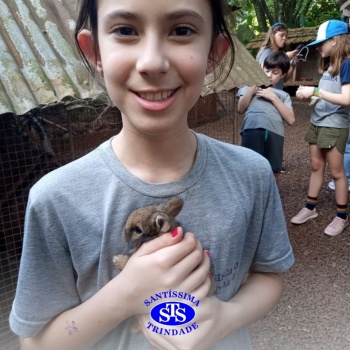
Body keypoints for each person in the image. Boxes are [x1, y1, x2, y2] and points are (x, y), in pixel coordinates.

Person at [9, 1, 295, 349]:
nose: (152, 63)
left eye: (181, 30)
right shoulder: (55, 198)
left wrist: (225, 318)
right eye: (126, 30)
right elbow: (35, 343)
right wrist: (127, 293)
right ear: (94, 51)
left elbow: (269, 276)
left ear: (213, 52)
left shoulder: (252, 174)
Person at [291, 20, 350, 237]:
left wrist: (315, 93)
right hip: (318, 122)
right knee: (316, 166)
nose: (318, 47)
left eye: (322, 43)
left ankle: (341, 217)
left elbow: (347, 98)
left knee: (336, 172)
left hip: (335, 124)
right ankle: (310, 208)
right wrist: (312, 94)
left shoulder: (347, 64)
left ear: (334, 41)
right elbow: (329, 90)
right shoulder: (328, 65)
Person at [238, 52, 295, 183]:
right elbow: (240, 108)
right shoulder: (248, 87)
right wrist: (254, 85)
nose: (269, 75)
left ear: (283, 75)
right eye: (267, 70)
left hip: (275, 133)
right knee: (249, 167)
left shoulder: (282, 95)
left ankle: (269, 201)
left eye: (275, 72)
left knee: (274, 171)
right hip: (252, 129)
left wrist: (273, 97)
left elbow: (291, 120)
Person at [256, 22, 299, 90]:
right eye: (281, 35)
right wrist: (285, 57)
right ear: (273, 35)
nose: (284, 38)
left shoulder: (280, 53)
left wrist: (293, 65)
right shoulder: (266, 51)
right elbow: (264, 74)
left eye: (286, 36)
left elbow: (283, 79)